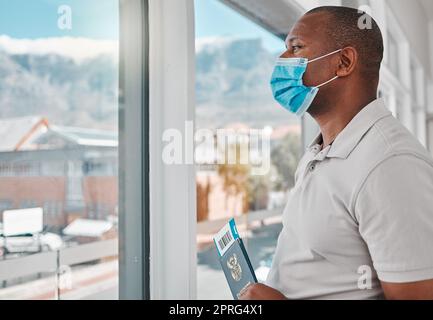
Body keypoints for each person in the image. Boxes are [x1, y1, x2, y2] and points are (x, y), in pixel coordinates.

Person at [240, 6, 433, 300]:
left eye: (296, 48)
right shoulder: (320, 152)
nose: (282, 60)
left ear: (344, 62)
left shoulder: (391, 165)